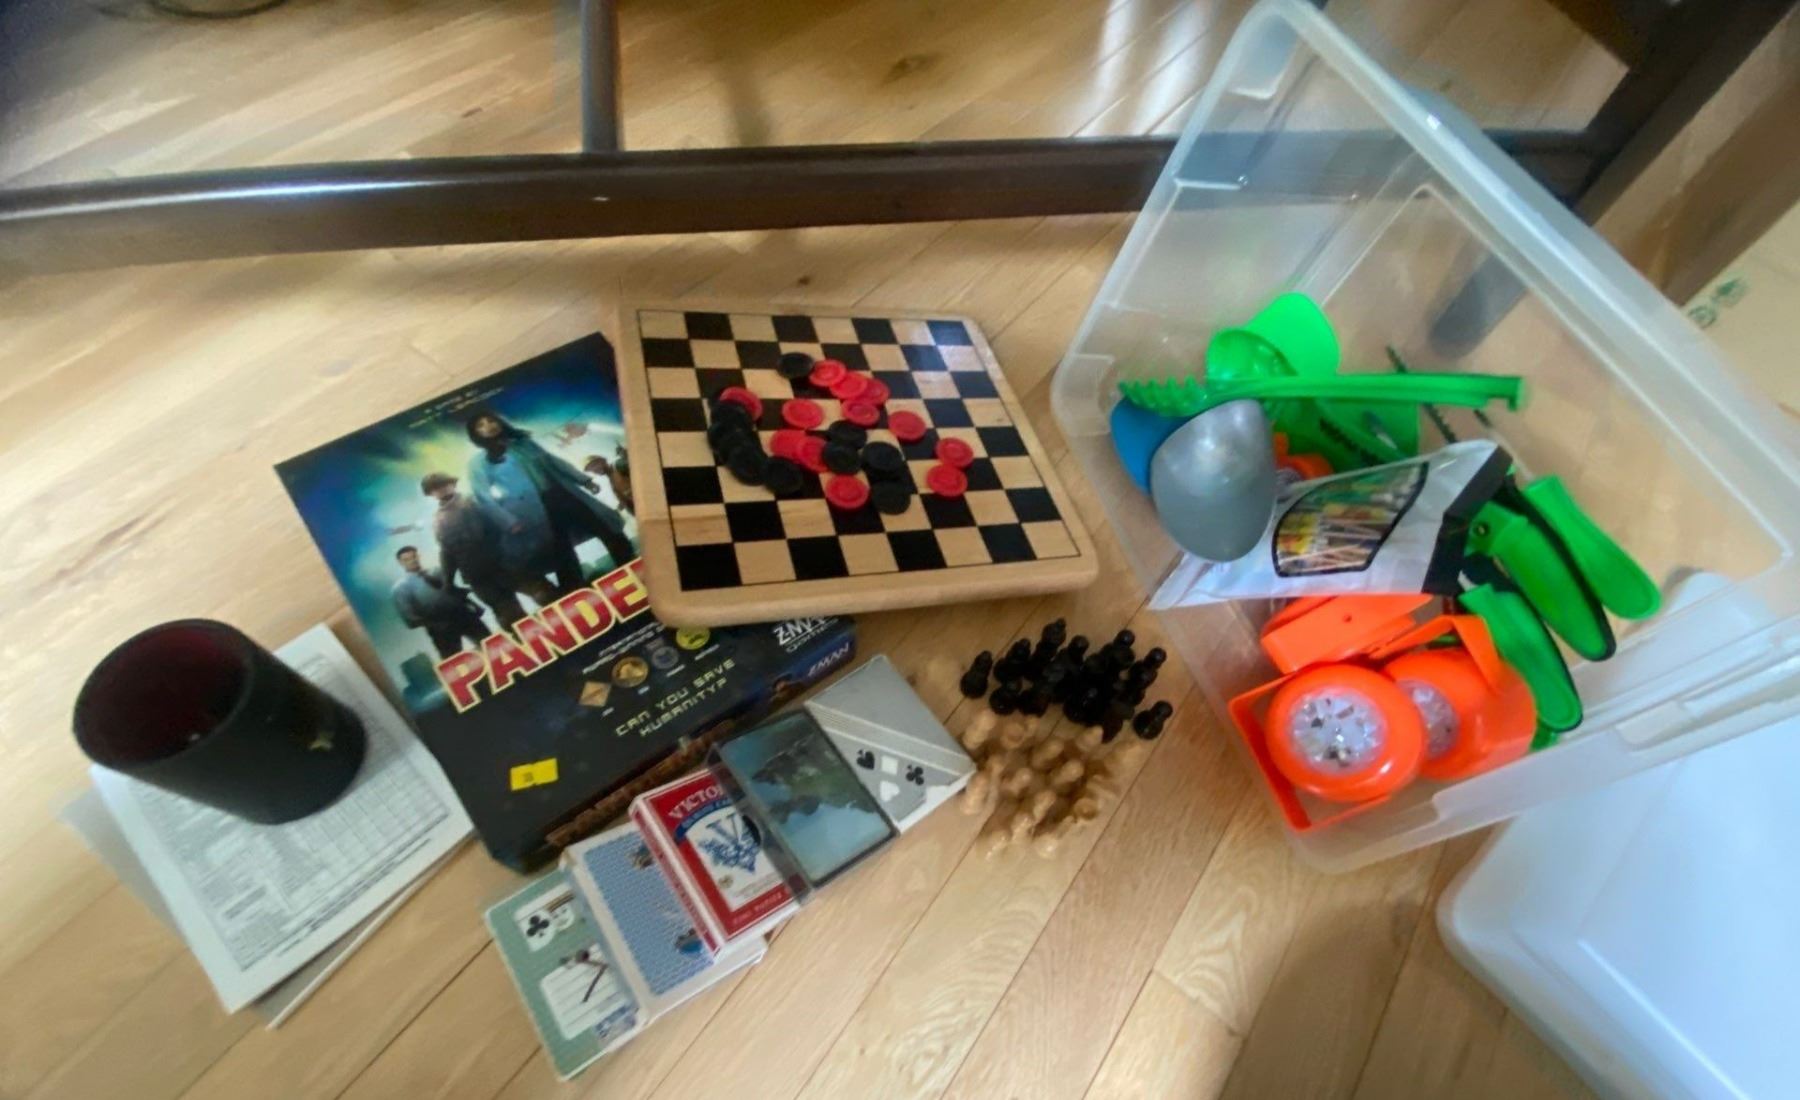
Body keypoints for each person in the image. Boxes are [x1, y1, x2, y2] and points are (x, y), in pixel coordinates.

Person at [464, 410, 635, 593]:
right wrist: (508, 521)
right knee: (561, 550)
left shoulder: (524, 443)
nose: (488, 426)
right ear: (476, 434)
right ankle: (574, 590)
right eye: (481, 425)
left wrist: (584, 480)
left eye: (491, 421)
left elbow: (553, 461)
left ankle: (630, 564)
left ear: (499, 422)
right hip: (535, 510)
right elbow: (482, 496)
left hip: (563, 494)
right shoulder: (479, 462)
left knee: (605, 527)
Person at [420, 471, 557, 632]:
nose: (441, 489)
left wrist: (513, 553)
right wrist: (448, 581)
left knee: (544, 594)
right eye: (435, 488)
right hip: (478, 575)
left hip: (506, 562)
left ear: (453, 484)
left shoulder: (475, 500)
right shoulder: (437, 520)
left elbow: (505, 525)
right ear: (430, 493)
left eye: (443, 484)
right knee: (510, 617)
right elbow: (447, 552)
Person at [390, 545, 488, 658]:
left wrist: (474, 605)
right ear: (400, 563)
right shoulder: (401, 588)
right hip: (441, 630)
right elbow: (410, 619)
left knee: (491, 644)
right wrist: (436, 624)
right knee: (455, 661)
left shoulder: (438, 571)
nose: (412, 561)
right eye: (407, 559)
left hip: (465, 616)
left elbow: (455, 592)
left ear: (418, 556)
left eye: (414, 557)